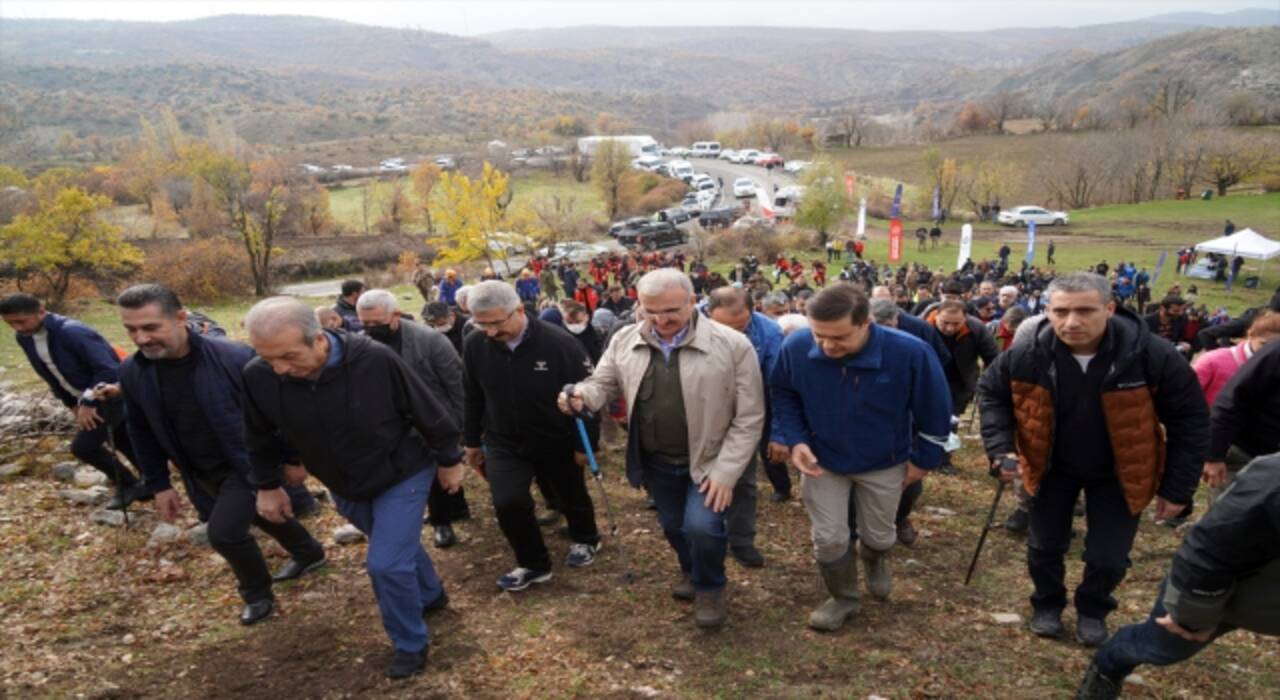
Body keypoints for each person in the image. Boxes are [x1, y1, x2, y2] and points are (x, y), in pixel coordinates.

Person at [979, 273, 1208, 647]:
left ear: (1110, 308)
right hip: (1050, 467)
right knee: (1044, 547)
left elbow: (1190, 420)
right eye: (1061, 311)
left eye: (1085, 310)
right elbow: (992, 395)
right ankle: (1047, 604)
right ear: (1047, 311)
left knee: (1109, 557)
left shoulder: (1149, 354)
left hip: (1121, 472)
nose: (1072, 322)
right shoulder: (1028, 352)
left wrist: (1178, 487)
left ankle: (1093, 609)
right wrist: (1001, 447)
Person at [241, 297, 465, 680]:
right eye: (267, 358)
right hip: (342, 480)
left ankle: (410, 643)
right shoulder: (259, 375)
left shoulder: (374, 360)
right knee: (392, 543)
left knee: (385, 563)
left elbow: (424, 407)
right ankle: (431, 594)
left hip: (401, 471)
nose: (278, 368)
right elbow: (257, 434)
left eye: (288, 356)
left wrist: (449, 459)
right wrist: (267, 484)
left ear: (320, 340)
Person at [561, 269, 764, 628]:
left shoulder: (732, 345)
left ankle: (710, 586)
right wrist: (581, 396)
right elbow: (603, 383)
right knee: (674, 525)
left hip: (712, 460)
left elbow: (749, 417)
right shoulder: (625, 339)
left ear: (691, 301)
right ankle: (691, 569)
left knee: (703, 527)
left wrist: (727, 472)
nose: (660, 320)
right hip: (656, 460)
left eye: (671, 310)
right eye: (650, 311)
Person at [113, 285, 326, 626]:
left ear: (181, 318)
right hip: (197, 468)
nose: (141, 338)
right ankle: (309, 552)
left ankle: (257, 595)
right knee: (257, 514)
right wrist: (159, 483)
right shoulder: (133, 372)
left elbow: (277, 413)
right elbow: (141, 430)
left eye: (151, 327)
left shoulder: (233, 358)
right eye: (131, 330)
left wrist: (292, 459)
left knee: (224, 533)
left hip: (247, 463)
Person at [771, 284, 951, 631]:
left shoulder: (910, 353)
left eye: (839, 337)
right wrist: (795, 440)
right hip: (822, 460)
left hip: (884, 460)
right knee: (829, 538)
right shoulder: (796, 346)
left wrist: (923, 459)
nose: (826, 346)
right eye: (819, 335)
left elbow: (936, 411)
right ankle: (844, 597)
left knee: (880, 535)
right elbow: (783, 391)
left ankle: (874, 558)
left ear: (866, 322)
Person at [1076, 454, 1279, 699]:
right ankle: (1108, 666)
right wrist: (1191, 617)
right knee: (1162, 646)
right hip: (1228, 591)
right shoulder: (1272, 480)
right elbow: (1209, 549)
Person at [462, 282, 602, 592]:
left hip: (555, 436)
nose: (490, 332)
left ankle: (586, 538)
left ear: (519, 311)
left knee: (569, 494)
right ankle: (533, 563)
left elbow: (588, 396)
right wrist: (471, 441)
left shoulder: (559, 344)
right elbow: (472, 394)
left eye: (497, 323)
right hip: (503, 439)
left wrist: (586, 445)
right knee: (508, 501)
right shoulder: (474, 344)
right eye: (481, 324)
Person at [0, 293, 148, 510]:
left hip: (109, 394)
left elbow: (108, 369)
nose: (18, 328)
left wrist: (88, 402)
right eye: (10, 323)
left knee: (83, 447)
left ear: (41, 311)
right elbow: (49, 374)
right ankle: (151, 482)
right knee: (121, 436)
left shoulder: (72, 332)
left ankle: (128, 484)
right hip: (82, 398)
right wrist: (71, 404)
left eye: (21, 321)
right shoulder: (24, 338)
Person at [356, 289, 471, 548]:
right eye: (365, 324)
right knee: (423, 471)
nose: (371, 329)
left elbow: (456, 384)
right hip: (394, 421)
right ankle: (447, 513)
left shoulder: (429, 340)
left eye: (377, 323)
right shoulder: (360, 345)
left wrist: (463, 425)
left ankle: (446, 518)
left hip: (433, 415)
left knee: (441, 464)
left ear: (395, 315)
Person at [706, 287, 787, 568]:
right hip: (702, 411)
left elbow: (777, 386)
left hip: (748, 413)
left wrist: (777, 432)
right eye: (724, 329)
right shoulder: (690, 325)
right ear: (708, 313)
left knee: (743, 478)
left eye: (740, 329)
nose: (733, 338)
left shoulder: (769, 333)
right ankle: (705, 536)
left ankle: (740, 540)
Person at [1203, 329, 1280, 503]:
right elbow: (1233, 399)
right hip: (1247, 455)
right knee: (1228, 516)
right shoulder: (1276, 352)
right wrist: (1214, 455)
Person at [927, 300, 999, 470]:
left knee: (950, 420)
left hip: (958, 381)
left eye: (956, 324)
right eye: (945, 323)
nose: (950, 328)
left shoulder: (976, 329)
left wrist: (993, 381)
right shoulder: (923, 327)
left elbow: (994, 357)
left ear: (965, 318)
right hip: (926, 378)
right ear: (936, 315)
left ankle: (943, 459)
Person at [1192, 310, 1279, 407]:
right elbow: (1186, 396)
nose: (1270, 350)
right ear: (1250, 335)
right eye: (1264, 344)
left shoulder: (1275, 368)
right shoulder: (1214, 360)